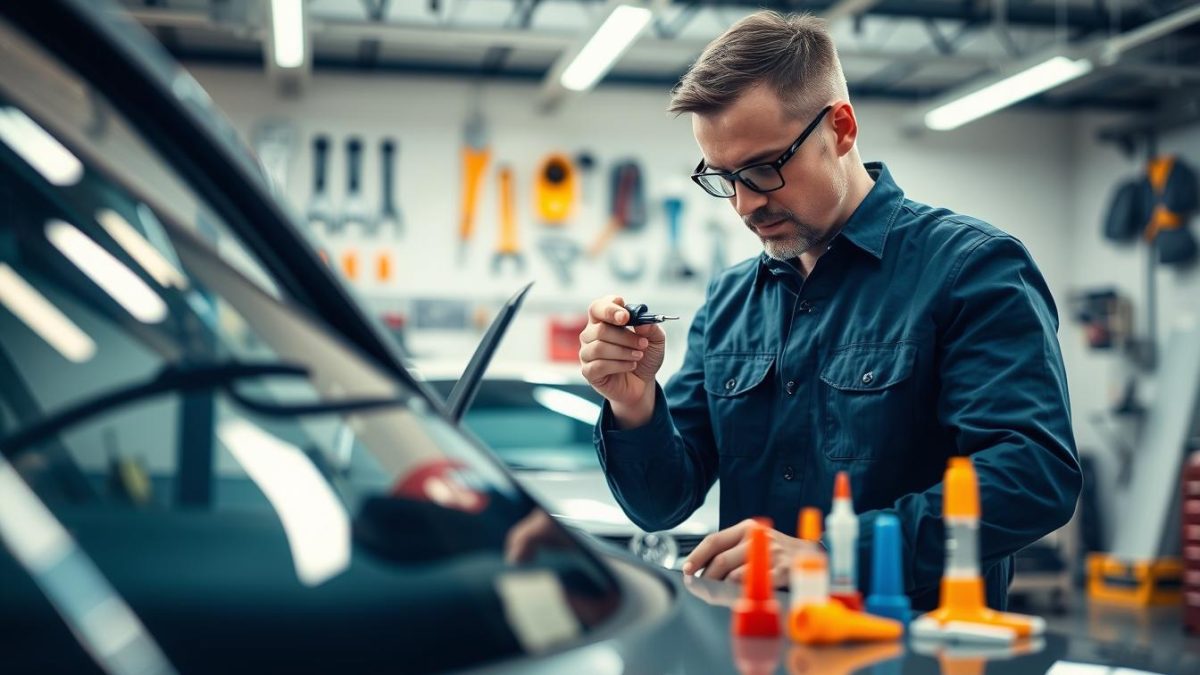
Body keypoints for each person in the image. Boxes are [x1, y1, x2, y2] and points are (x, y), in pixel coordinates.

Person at [577, 10, 1080, 611]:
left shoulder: (972, 269)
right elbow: (662, 502)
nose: (744, 205)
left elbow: (1031, 477)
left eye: (765, 169)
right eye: (724, 177)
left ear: (840, 129)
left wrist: (832, 557)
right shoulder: (730, 299)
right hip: (760, 646)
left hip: (914, 652)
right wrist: (634, 404)